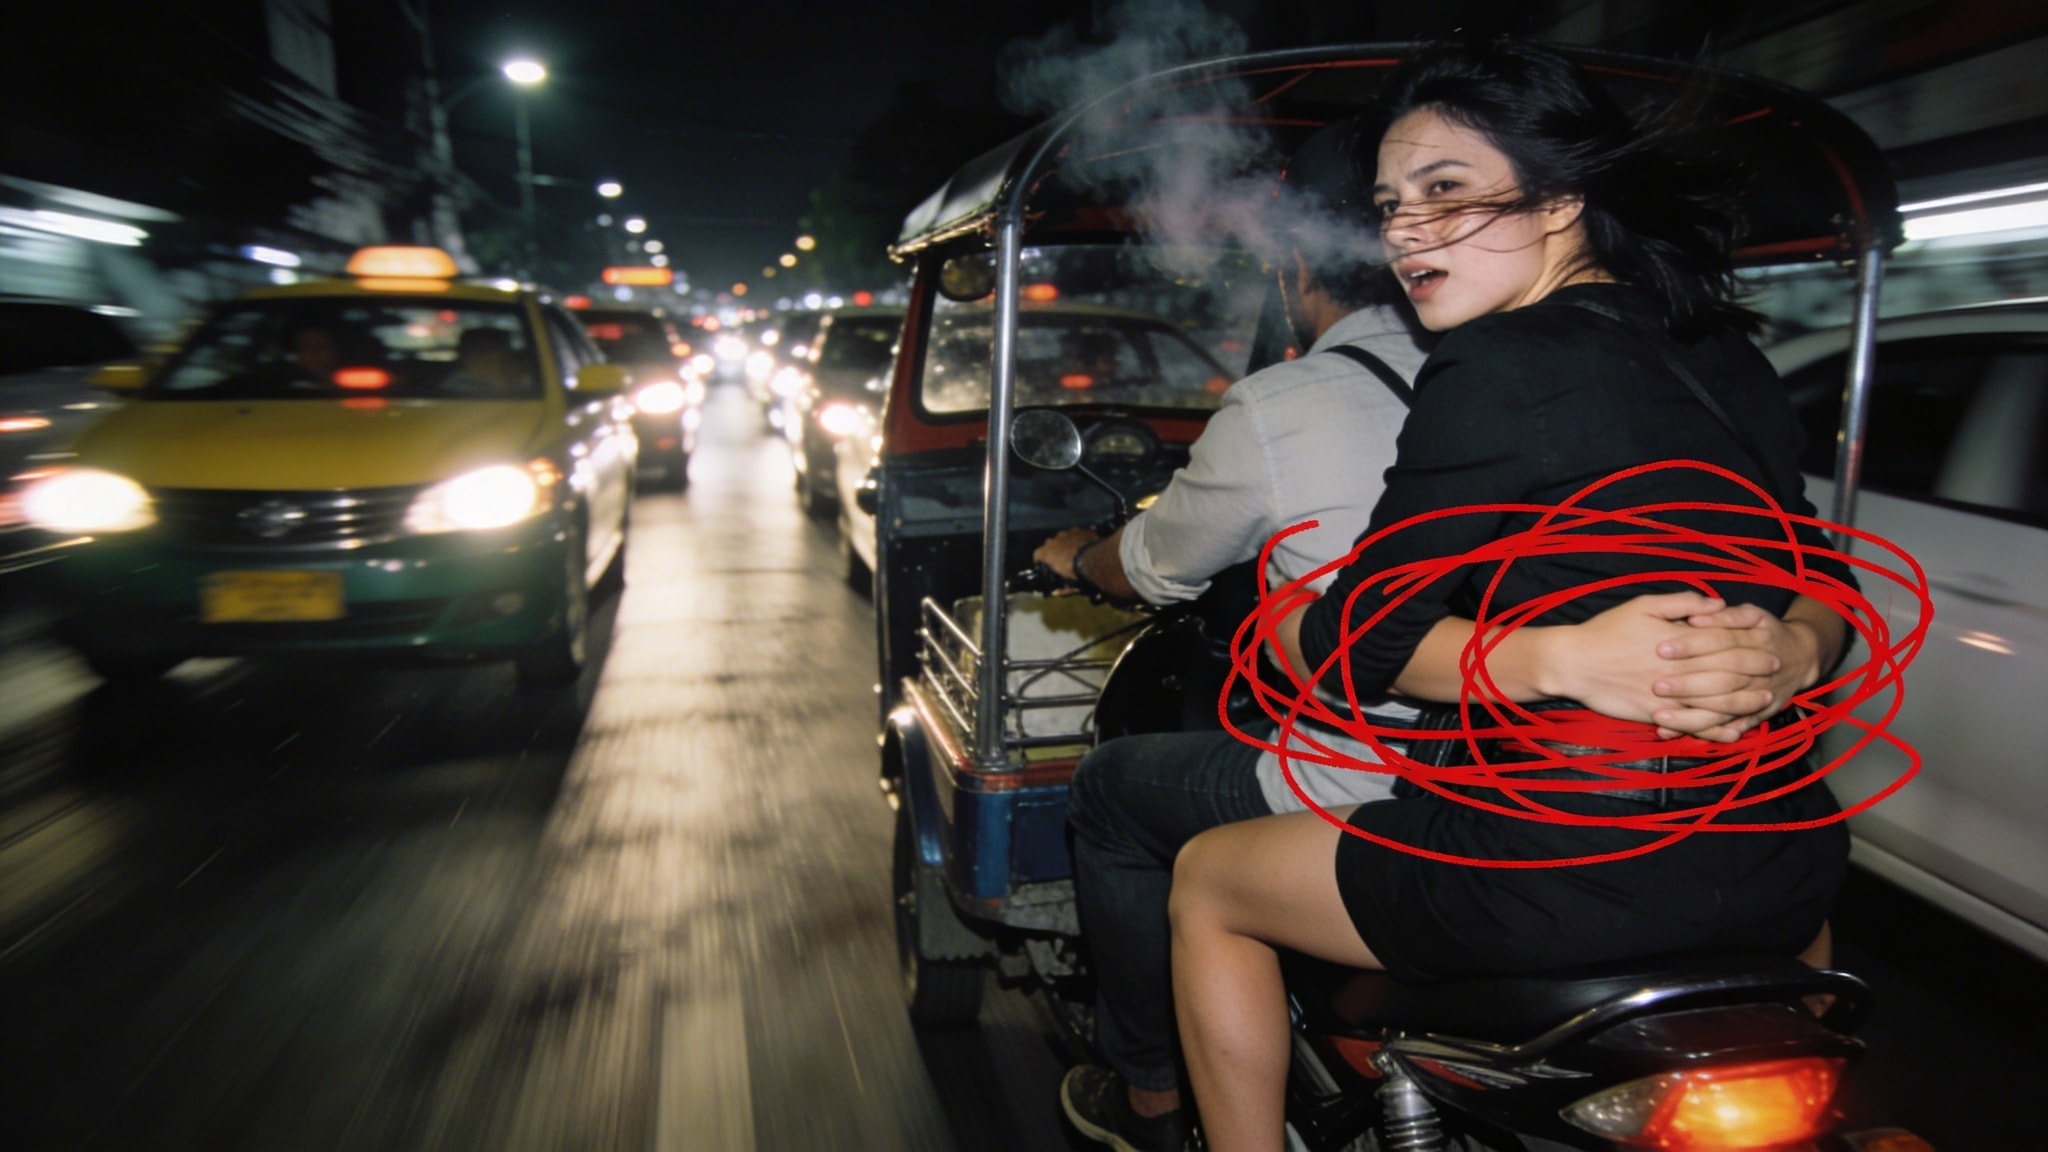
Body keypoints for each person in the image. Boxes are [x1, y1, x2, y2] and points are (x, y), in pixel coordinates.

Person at [1045, 116, 1841, 1152]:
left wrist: (1549, 658)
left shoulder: (1489, 359)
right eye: (1389, 207)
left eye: (1444, 192)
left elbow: (1353, 642)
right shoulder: (1712, 348)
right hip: (1779, 843)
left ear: (1558, 200)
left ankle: (1156, 1105)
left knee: (1200, 874)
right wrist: (1796, 651)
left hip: (1560, 856)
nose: (1407, 231)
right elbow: (1812, 567)